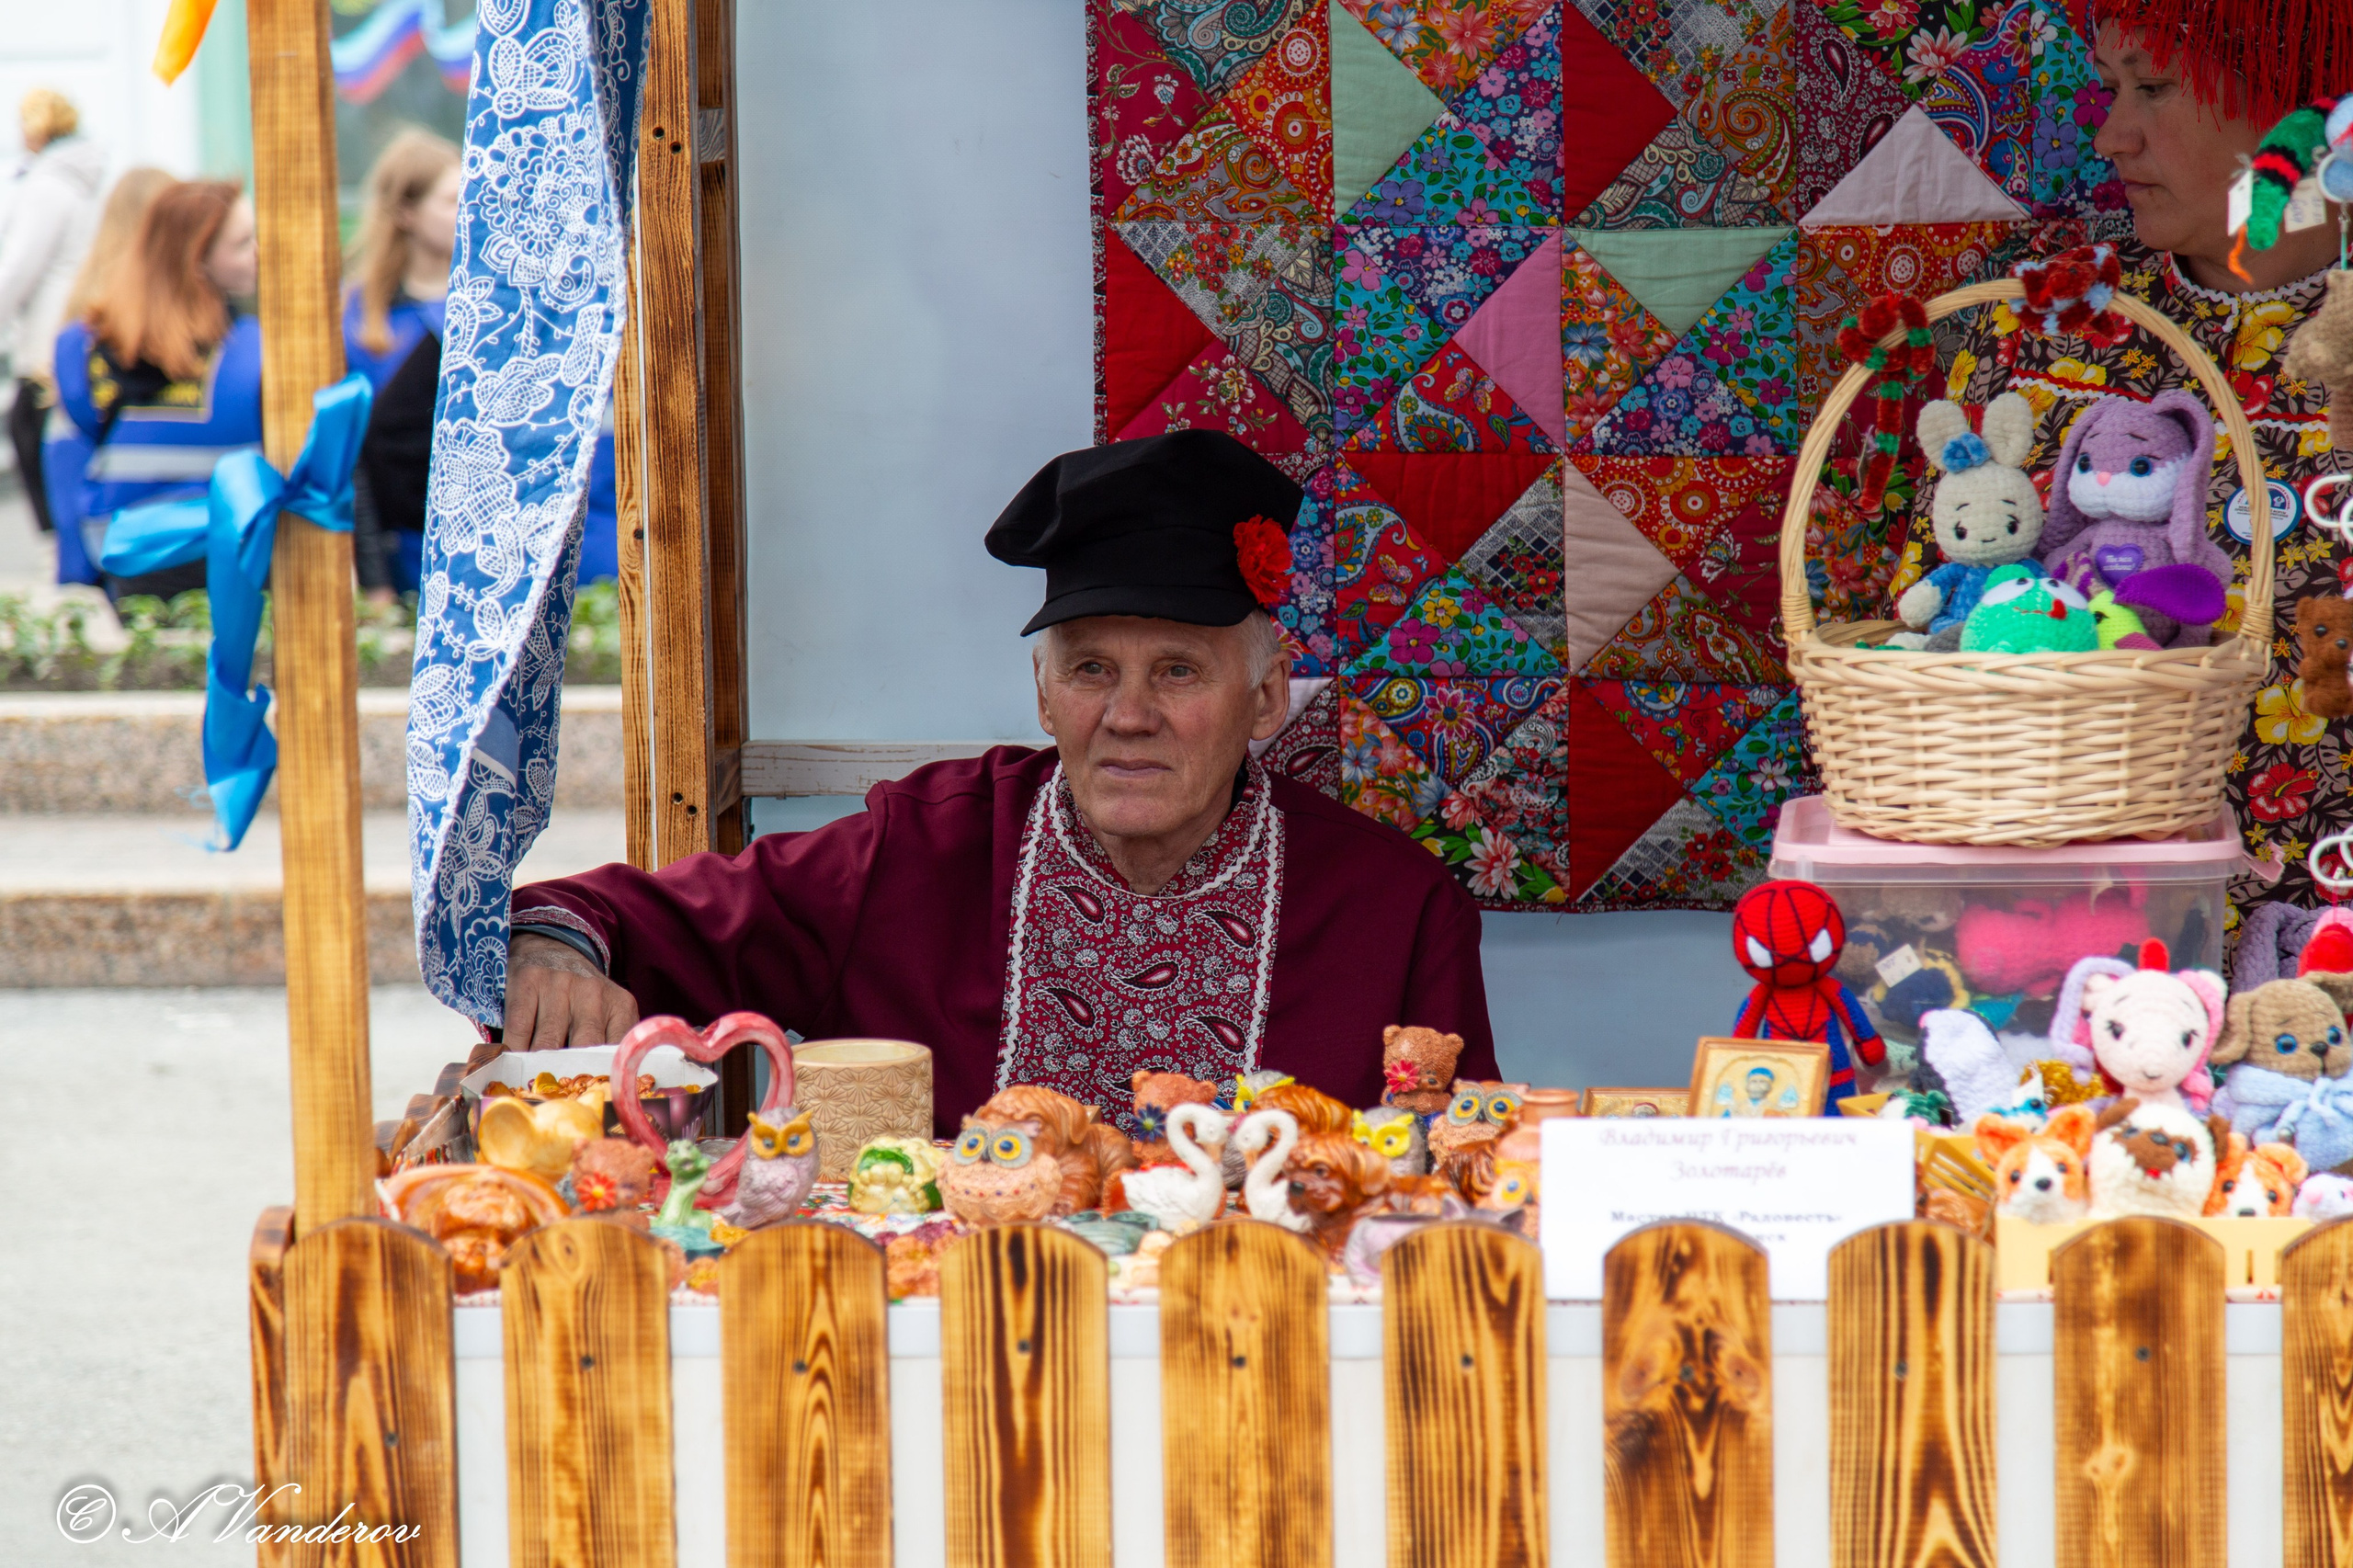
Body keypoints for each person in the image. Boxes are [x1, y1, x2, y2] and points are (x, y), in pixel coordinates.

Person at [501, 431, 1500, 1131]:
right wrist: (552, 946)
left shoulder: (1396, 910)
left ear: (1267, 698)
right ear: (1042, 690)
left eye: (1179, 670)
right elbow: (622, 916)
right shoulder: (927, 848)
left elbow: (1459, 1171)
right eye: (1091, 668)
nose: (1128, 712)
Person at [1927, 0, 2348, 922]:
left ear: (2309, 116)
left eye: (2152, 87)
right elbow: (1940, 650)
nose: (2112, 134)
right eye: (2110, 87)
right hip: (2097, 970)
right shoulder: (2042, 328)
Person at [49, 180, 261, 601]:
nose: (258, 251)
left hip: (133, 559)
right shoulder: (257, 352)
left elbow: (64, 467)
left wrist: (77, 580)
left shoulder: (86, 345)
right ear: (197, 259)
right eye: (242, 243)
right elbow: (65, 463)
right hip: (222, 563)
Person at [344, 129, 458, 605]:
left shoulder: (495, 313)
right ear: (406, 212)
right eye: (452, 201)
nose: (470, 213)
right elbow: (349, 460)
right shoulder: (358, 319)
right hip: (395, 557)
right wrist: (372, 578)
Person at [43, 166, 170, 586]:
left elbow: (67, 456)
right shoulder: (122, 335)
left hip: (103, 540)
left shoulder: (79, 329)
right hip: (155, 539)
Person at [0, 89, 103, 538]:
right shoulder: (82, 179)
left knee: (30, 431)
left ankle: (57, 542)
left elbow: (19, 268)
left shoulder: (46, 186)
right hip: (71, 327)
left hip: (46, 337)